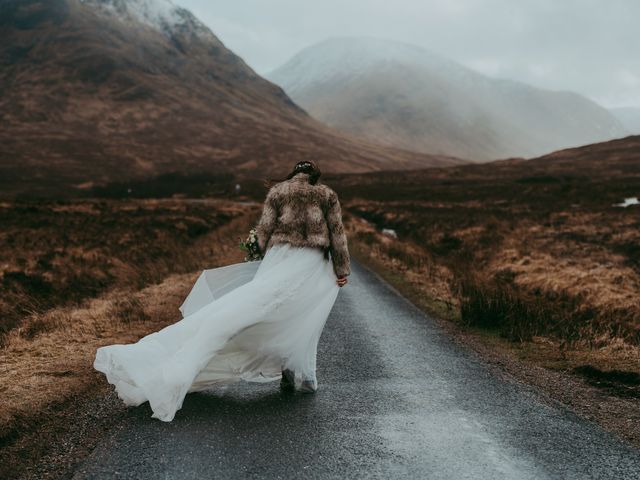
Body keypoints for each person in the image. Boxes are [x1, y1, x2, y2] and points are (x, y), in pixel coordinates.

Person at [93, 160, 350, 422]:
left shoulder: (278, 192)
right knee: (299, 316)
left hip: (280, 258)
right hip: (310, 262)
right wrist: (342, 271)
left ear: (293, 174)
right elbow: (337, 234)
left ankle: (179, 362)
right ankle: (300, 375)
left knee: (255, 309)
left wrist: (259, 255)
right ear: (314, 177)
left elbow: (264, 231)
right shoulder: (327, 195)